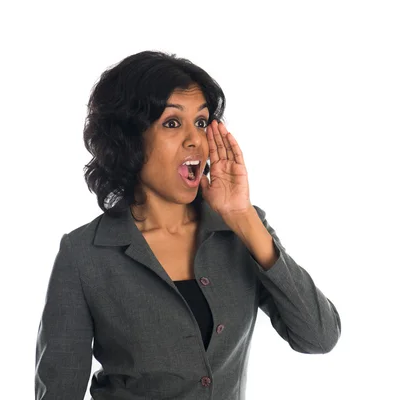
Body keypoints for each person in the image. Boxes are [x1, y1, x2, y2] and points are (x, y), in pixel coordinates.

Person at [34, 50, 341, 400]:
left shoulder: (241, 230)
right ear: (130, 139)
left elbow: (319, 337)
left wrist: (242, 217)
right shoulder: (83, 254)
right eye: (172, 123)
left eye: (201, 122)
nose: (195, 139)